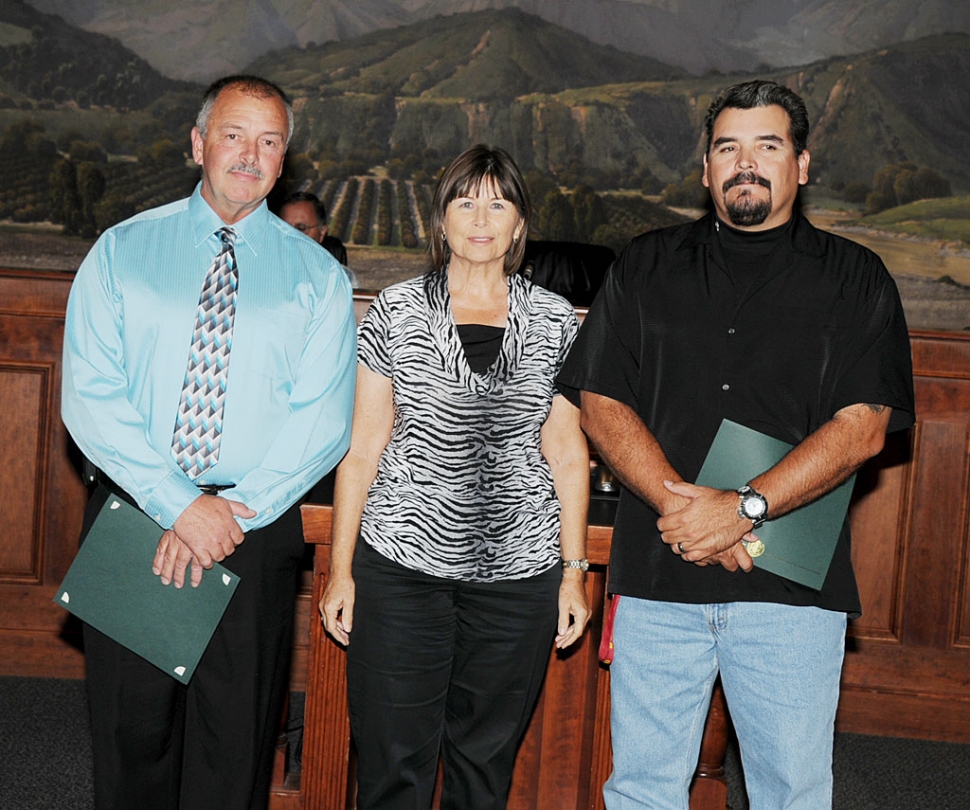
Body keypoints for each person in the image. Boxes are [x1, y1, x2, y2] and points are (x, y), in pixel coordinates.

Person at [557, 80, 915, 809]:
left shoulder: (856, 279)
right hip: (660, 572)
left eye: (767, 146)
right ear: (705, 168)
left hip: (789, 587)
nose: (744, 163)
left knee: (792, 792)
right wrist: (688, 511)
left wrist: (744, 507)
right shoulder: (646, 265)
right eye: (728, 148)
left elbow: (862, 427)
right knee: (641, 790)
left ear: (802, 165)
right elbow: (599, 401)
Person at [61, 75, 357, 810]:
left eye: (269, 142)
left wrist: (231, 511)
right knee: (132, 746)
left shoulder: (318, 279)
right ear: (198, 143)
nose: (249, 155)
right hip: (139, 520)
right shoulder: (121, 251)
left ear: (283, 160)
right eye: (233, 134)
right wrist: (179, 504)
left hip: (251, 531)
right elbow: (90, 396)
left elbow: (323, 421)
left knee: (234, 753)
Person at [320, 144, 591, 809]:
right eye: (464, 201)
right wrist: (340, 570)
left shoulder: (557, 320)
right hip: (401, 570)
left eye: (498, 202)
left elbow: (567, 453)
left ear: (520, 223)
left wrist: (573, 573)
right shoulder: (396, 310)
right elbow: (363, 449)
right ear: (439, 221)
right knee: (392, 765)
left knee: (483, 768)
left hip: (519, 580)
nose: (480, 217)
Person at [279, 190, 357, 286]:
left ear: (322, 233)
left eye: (301, 228)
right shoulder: (262, 272)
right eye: (284, 228)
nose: (291, 235)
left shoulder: (341, 278)